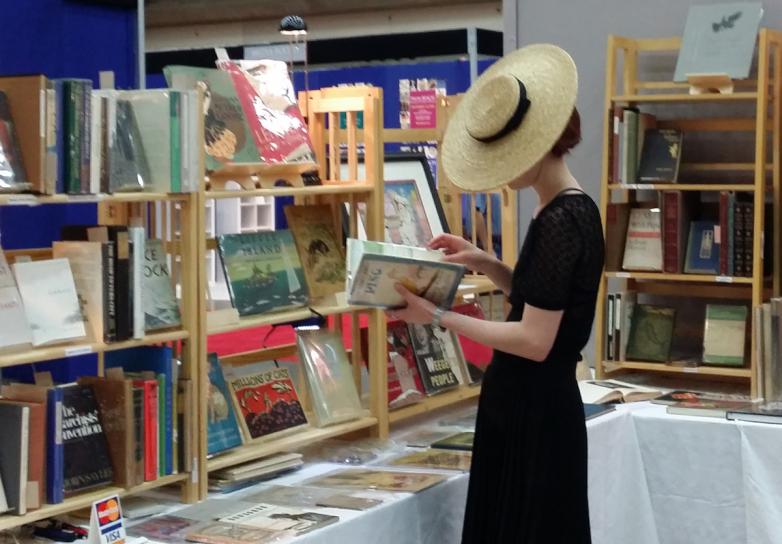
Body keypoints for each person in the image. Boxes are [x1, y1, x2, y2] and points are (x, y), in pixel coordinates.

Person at [390, 44, 604, 543]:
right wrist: (486, 262)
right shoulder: (573, 207)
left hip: (533, 411)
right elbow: (543, 300)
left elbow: (534, 339)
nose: (502, 173)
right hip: (534, 405)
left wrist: (439, 316)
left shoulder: (560, 220)